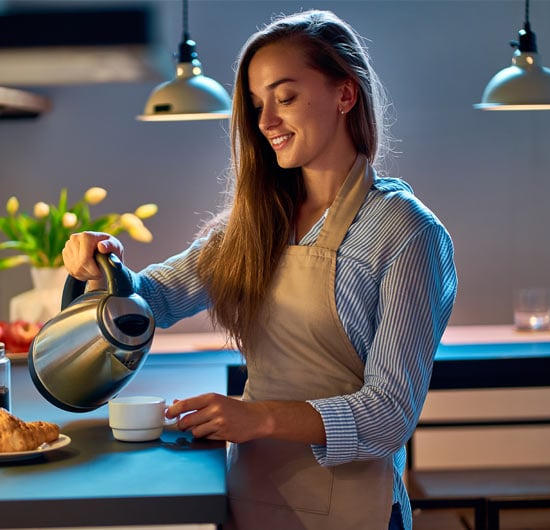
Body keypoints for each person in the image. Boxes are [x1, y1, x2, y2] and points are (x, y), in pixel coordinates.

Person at [62, 9, 457, 530]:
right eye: (255, 104)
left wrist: (259, 416)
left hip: (352, 508)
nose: (266, 121)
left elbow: (389, 415)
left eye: (286, 97)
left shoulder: (407, 233)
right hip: (251, 495)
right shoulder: (255, 222)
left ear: (345, 94)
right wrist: (102, 266)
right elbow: (151, 298)